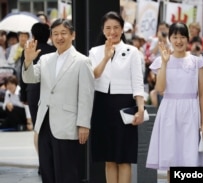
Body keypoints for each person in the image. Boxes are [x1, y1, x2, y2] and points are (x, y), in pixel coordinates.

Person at [22, 18, 94, 183]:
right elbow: (30, 78)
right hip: (44, 122)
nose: (59, 37)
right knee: (47, 171)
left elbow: (86, 95)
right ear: (51, 37)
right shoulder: (45, 59)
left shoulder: (82, 61)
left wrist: (84, 124)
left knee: (67, 173)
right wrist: (28, 60)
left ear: (72, 35)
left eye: (63, 33)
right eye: (55, 34)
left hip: (68, 124)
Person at [146, 22, 203, 182]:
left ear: (188, 39)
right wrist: (165, 63)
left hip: (190, 112)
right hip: (169, 112)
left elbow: (202, 94)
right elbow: (160, 89)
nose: (179, 41)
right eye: (175, 37)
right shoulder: (162, 61)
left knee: (189, 160)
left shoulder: (197, 62)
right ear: (169, 39)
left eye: (182, 37)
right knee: (171, 161)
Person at [89, 11, 145, 183]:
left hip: (124, 104)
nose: (112, 31)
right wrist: (106, 57)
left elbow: (137, 82)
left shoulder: (132, 51)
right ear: (102, 30)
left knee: (124, 157)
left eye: (116, 27)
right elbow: (93, 76)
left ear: (122, 29)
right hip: (101, 104)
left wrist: (141, 108)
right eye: (108, 28)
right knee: (109, 157)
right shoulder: (95, 51)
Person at [20, 22, 56, 173]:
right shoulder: (54, 50)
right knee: (52, 128)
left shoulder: (29, 50)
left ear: (33, 35)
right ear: (49, 35)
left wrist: (23, 94)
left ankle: (43, 164)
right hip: (50, 91)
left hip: (33, 91)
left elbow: (22, 74)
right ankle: (53, 162)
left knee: (38, 129)